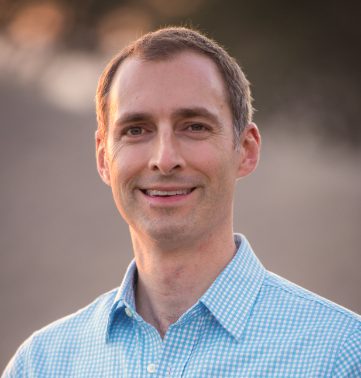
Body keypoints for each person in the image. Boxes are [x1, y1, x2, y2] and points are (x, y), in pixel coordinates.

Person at [3, 27, 360, 377]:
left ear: (246, 151)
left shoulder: (341, 354)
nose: (164, 158)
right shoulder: (42, 364)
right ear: (102, 158)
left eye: (194, 126)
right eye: (136, 130)